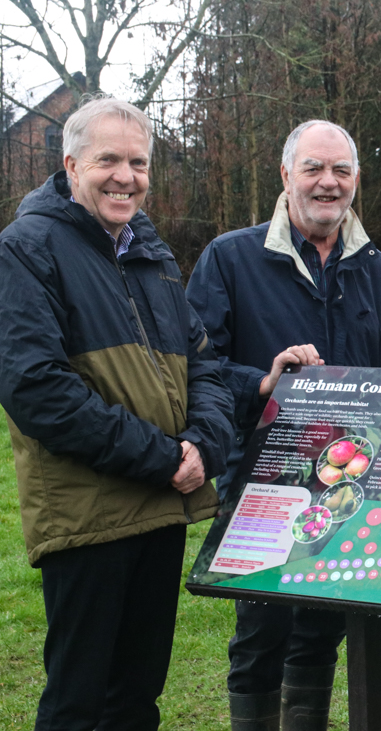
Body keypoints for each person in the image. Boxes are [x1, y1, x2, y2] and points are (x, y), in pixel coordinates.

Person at [0, 95, 234, 731]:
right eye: (109, 160)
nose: (125, 176)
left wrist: (204, 448)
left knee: (136, 700)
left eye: (138, 162)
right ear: (72, 165)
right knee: (80, 703)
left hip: (159, 508)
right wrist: (164, 458)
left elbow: (204, 366)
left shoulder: (153, 256)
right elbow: (37, 389)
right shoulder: (26, 248)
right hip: (88, 516)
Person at [186, 119, 381, 731]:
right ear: (285, 176)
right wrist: (262, 381)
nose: (327, 183)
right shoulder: (231, 258)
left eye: (340, 171)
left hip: (349, 486)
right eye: (313, 168)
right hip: (265, 483)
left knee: (321, 633)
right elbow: (193, 367)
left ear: (356, 181)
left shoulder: (377, 270)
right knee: (261, 636)